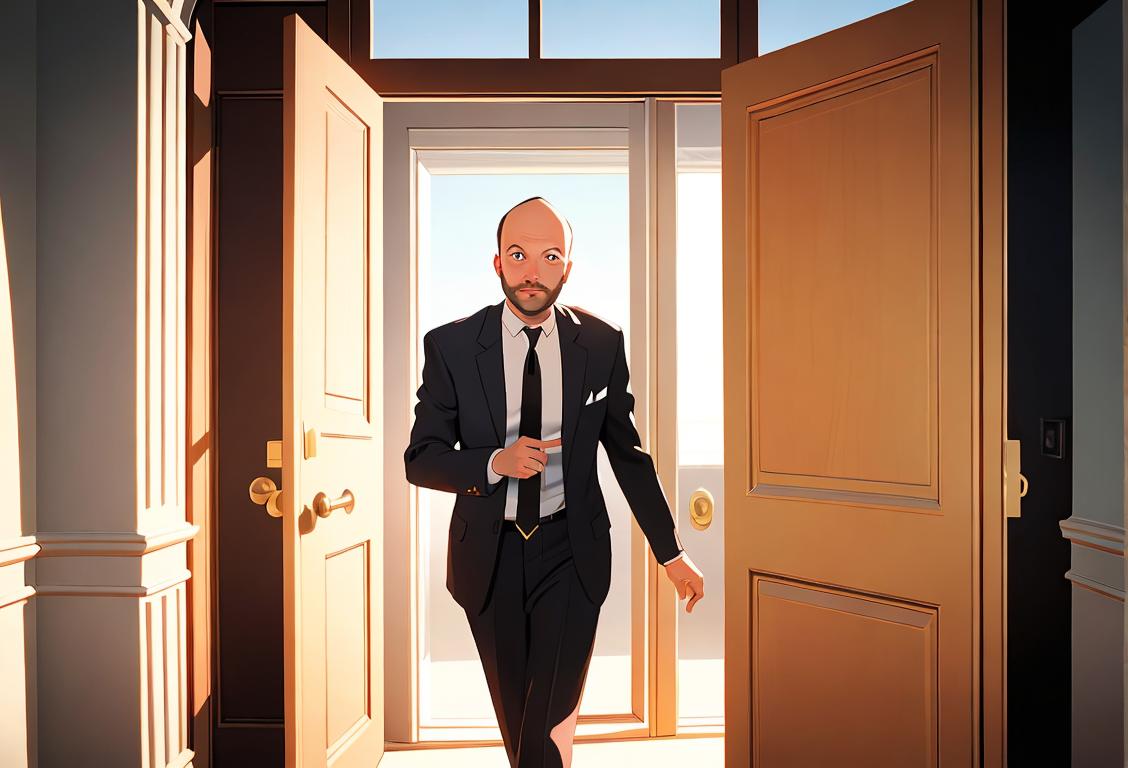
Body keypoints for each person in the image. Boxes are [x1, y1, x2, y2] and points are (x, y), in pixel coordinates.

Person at [404, 196, 705, 768]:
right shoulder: (452, 347)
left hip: (572, 551)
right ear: (497, 262)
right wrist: (494, 462)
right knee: (520, 725)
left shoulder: (600, 343)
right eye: (518, 255)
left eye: (549, 256)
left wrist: (672, 554)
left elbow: (628, 455)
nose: (532, 272)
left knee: (546, 726)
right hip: (487, 558)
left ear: (568, 265)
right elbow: (421, 459)